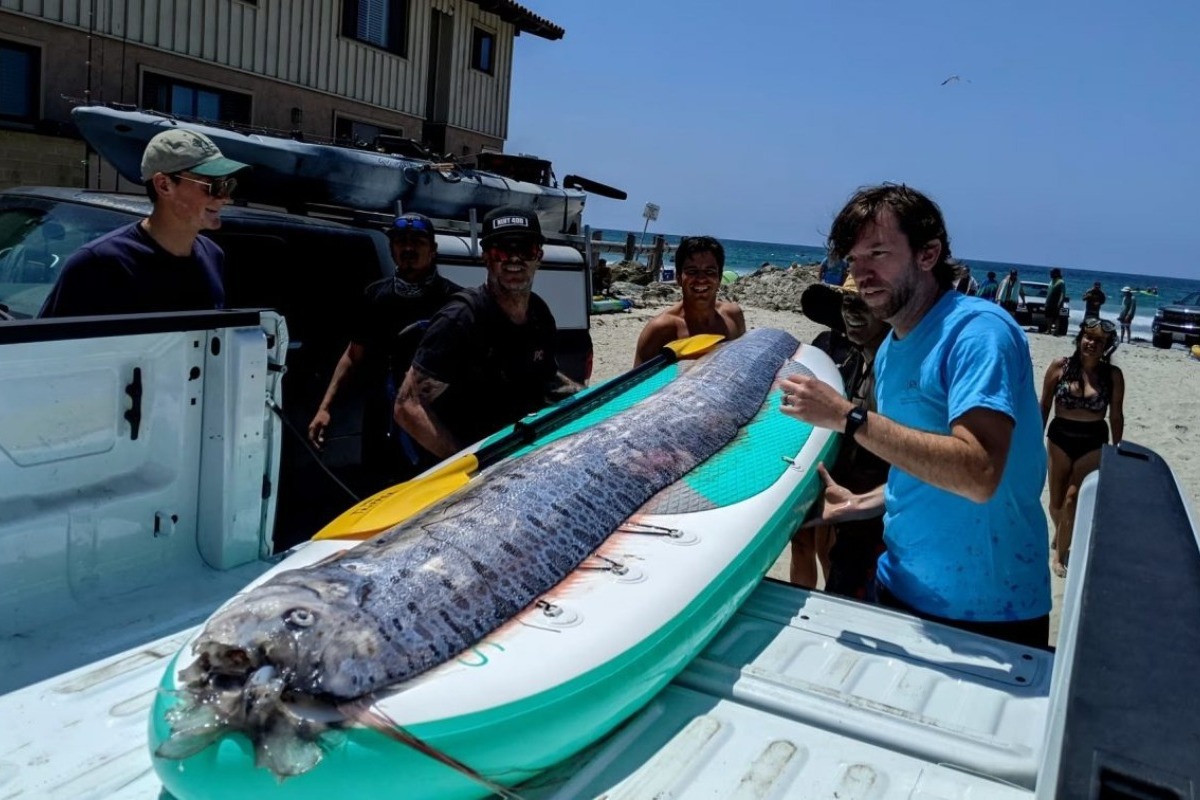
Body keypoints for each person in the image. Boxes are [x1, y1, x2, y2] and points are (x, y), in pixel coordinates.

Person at [779, 184, 1050, 648]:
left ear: (928, 254)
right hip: (898, 586)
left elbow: (979, 472)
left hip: (989, 609)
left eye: (878, 254)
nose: (861, 274)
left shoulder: (978, 333)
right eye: (853, 260)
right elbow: (923, 463)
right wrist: (862, 503)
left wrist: (849, 416)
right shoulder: (891, 351)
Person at [395, 207, 582, 458]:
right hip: (470, 464)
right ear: (486, 257)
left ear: (539, 257)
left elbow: (548, 378)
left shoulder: (539, 314)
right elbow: (407, 406)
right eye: (502, 250)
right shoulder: (461, 319)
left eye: (525, 249)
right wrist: (467, 462)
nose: (514, 259)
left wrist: (593, 399)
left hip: (517, 452)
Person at [307, 213, 461, 485]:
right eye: (401, 242)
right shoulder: (375, 297)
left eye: (418, 241)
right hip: (382, 427)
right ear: (392, 249)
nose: (409, 249)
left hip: (436, 423)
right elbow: (353, 356)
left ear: (433, 250)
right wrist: (325, 408)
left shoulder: (455, 301)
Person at [40, 129, 249, 317]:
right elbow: (48, 351)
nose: (225, 198)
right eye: (212, 186)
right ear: (164, 185)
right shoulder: (98, 264)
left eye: (227, 185)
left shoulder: (212, 255)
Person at [791, 275, 890, 598]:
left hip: (871, 493)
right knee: (809, 543)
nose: (853, 312)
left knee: (839, 562)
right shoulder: (829, 347)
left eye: (864, 303)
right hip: (827, 469)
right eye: (848, 302)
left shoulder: (893, 365)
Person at [1040, 318, 1124, 577]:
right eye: (1088, 337)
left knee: (1072, 499)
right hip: (1059, 438)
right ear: (1080, 339)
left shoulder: (1112, 376)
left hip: (1093, 440)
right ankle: (1062, 533)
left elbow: (1117, 415)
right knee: (1055, 503)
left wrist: (1117, 448)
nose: (1092, 343)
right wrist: (1035, 438)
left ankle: (1060, 554)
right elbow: (1044, 405)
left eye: (1100, 341)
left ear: (1107, 346)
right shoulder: (1059, 367)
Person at [633, 235, 746, 365]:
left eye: (709, 272)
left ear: (719, 278)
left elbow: (741, 365)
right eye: (692, 271)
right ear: (679, 278)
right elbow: (636, 382)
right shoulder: (660, 329)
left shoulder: (733, 315)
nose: (701, 279)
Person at [1043, 268, 1067, 335]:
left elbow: (1062, 293)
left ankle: (1056, 331)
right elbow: (1048, 293)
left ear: (1056, 273)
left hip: (1056, 303)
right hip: (1049, 303)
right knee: (1048, 317)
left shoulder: (1061, 282)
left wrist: (1059, 302)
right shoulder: (1051, 282)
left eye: (1051, 273)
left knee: (1056, 317)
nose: (1050, 274)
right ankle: (1049, 330)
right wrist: (1046, 302)